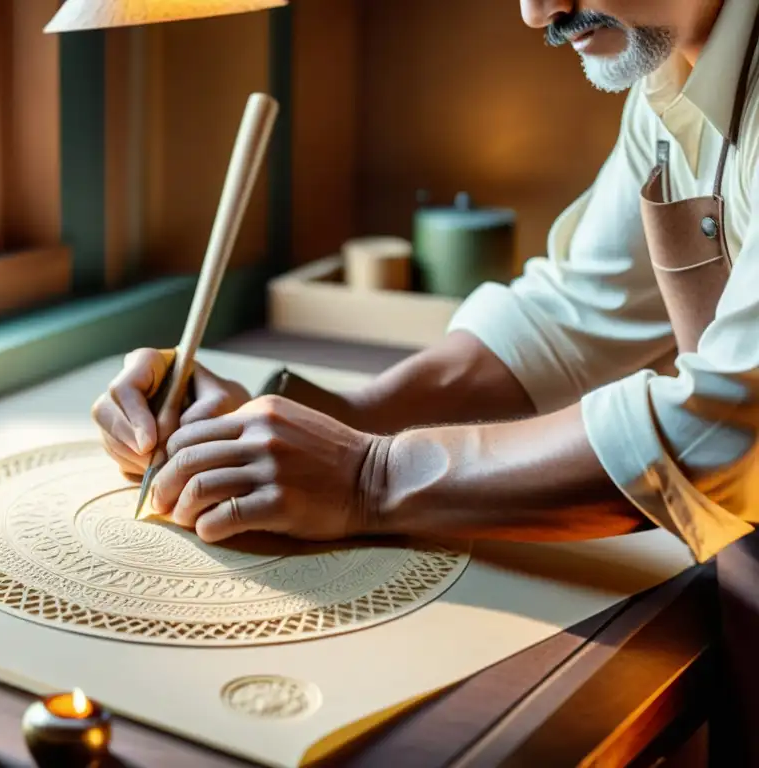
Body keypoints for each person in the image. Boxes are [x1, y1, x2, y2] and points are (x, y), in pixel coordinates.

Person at [95, 3, 759, 757]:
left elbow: (726, 423)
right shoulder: (677, 71)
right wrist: (296, 419)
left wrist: (368, 478)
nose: (537, 11)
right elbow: (569, 318)